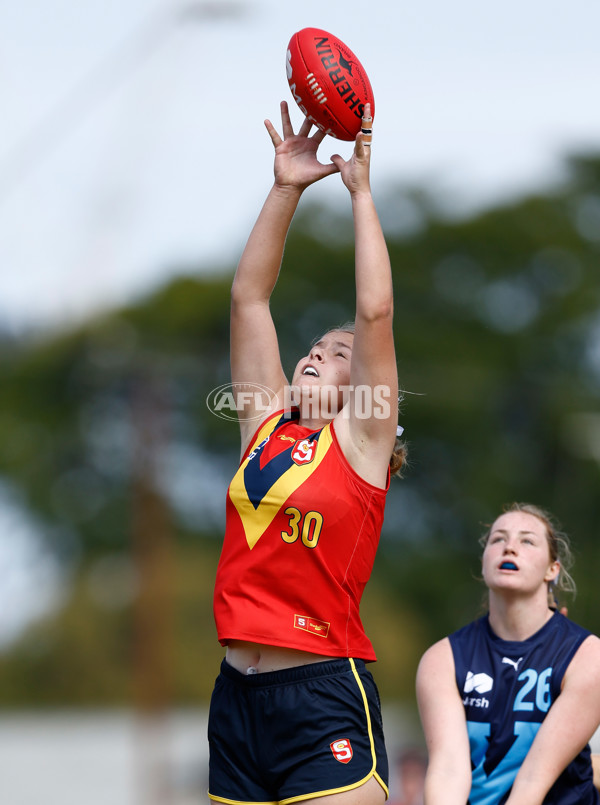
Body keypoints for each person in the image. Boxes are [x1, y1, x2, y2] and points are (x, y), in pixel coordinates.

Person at [208, 100, 405, 805]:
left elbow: (375, 310)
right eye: (315, 347)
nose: (320, 352)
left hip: (321, 690)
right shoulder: (263, 426)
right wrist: (286, 188)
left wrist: (360, 195)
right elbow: (248, 299)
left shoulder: (361, 441)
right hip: (236, 699)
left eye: (340, 351)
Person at [416, 502, 600, 805]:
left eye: (527, 540)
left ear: (553, 569)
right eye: (498, 539)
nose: (509, 547)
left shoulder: (586, 655)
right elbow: (448, 772)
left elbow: (532, 784)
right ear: (484, 561)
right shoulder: (442, 659)